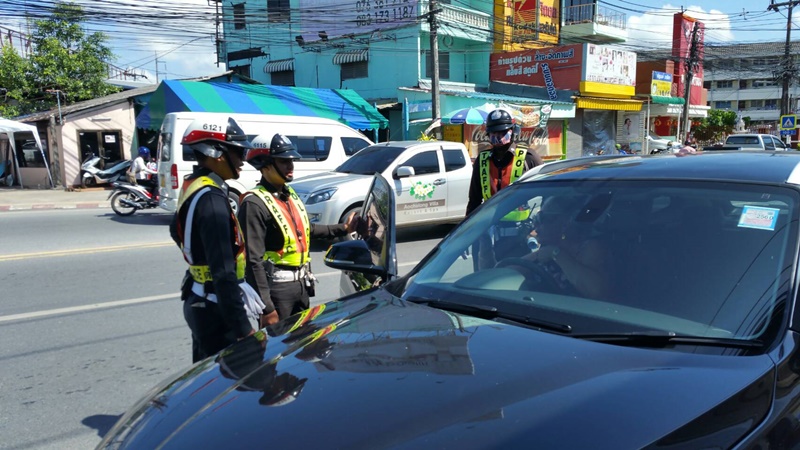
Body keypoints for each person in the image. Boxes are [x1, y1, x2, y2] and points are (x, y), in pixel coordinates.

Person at [238, 133, 359, 326]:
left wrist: (343, 228)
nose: (290, 166)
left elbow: (305, 231)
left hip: (301, 286)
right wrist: (267, 308)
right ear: (265, 164)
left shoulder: (288, 194)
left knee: (301, 345)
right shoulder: (254, 203)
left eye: (291, 160)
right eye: (283, 161)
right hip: (278, 290)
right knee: (279, 350)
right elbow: (253, 261)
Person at [169, 117, 264, 363]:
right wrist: (244, 329)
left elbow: (174, 228)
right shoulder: (212, 199)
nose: (243, 159)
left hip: (199, 298)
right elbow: (223, 272)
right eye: (238, 151)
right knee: (231, 387)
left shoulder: (196, 185)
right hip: (216, 311)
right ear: (217, 153)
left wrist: (196, 255)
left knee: (205, 380)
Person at [466, 108, 544, 268]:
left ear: (513, 131)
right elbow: (474, 201)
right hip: (487, 239)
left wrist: (540, 227)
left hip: (520, 240)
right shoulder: (482, 160)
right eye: (493, 133)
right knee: (483, 282)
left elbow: (548, 195)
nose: (497, 137)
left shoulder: (528, 158)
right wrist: (465, 234)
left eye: (502, 132)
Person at [504, 195, 612, 299]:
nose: (536, 226)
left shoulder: (589, 248)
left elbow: (596, 292)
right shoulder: (546, 248)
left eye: (542, 219)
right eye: (536, 219)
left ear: (564, 223)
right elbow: (505, 274)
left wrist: (557, 254)